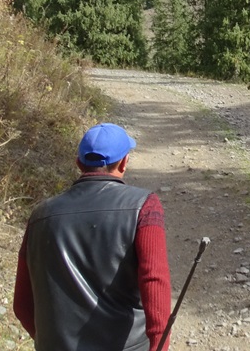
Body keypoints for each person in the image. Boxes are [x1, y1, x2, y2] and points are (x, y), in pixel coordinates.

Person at [13, 122, 172, 351]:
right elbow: (154, 281)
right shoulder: (144, 206)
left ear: (79, 163)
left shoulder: (40, 216)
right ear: (124, 162)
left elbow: (22, 306)